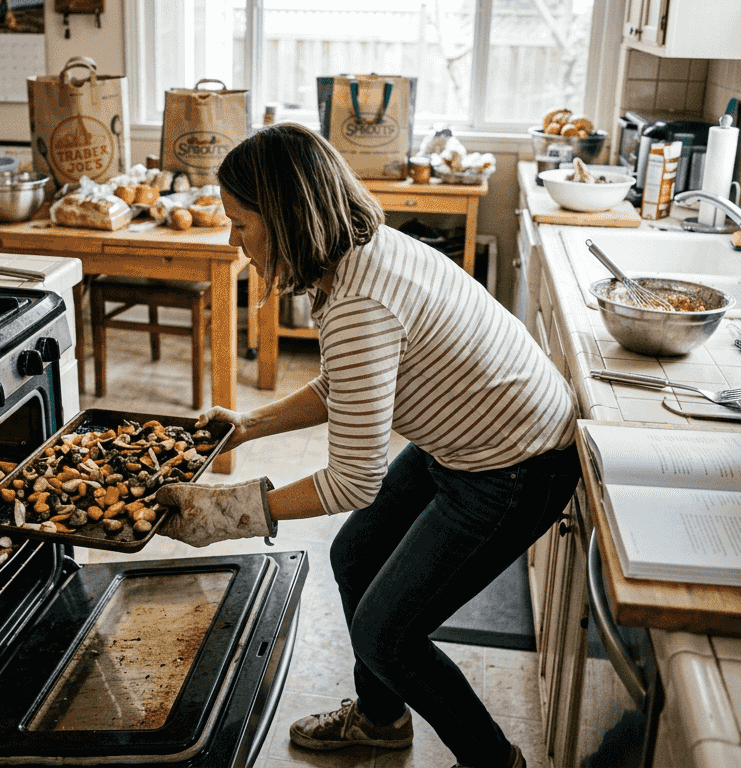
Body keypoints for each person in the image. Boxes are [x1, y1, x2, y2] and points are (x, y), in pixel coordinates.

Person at [154, 123, 581, 768]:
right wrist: (248, 426)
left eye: (241, 223)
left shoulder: (360, 301)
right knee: (356, 554)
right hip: (468, 442)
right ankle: (380, 723)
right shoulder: (360, 250)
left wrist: (225, 513)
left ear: (286, 216)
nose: (233, 240)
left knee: (388, 634)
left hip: (516, 468)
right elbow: (347, 383)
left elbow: (355, 481)